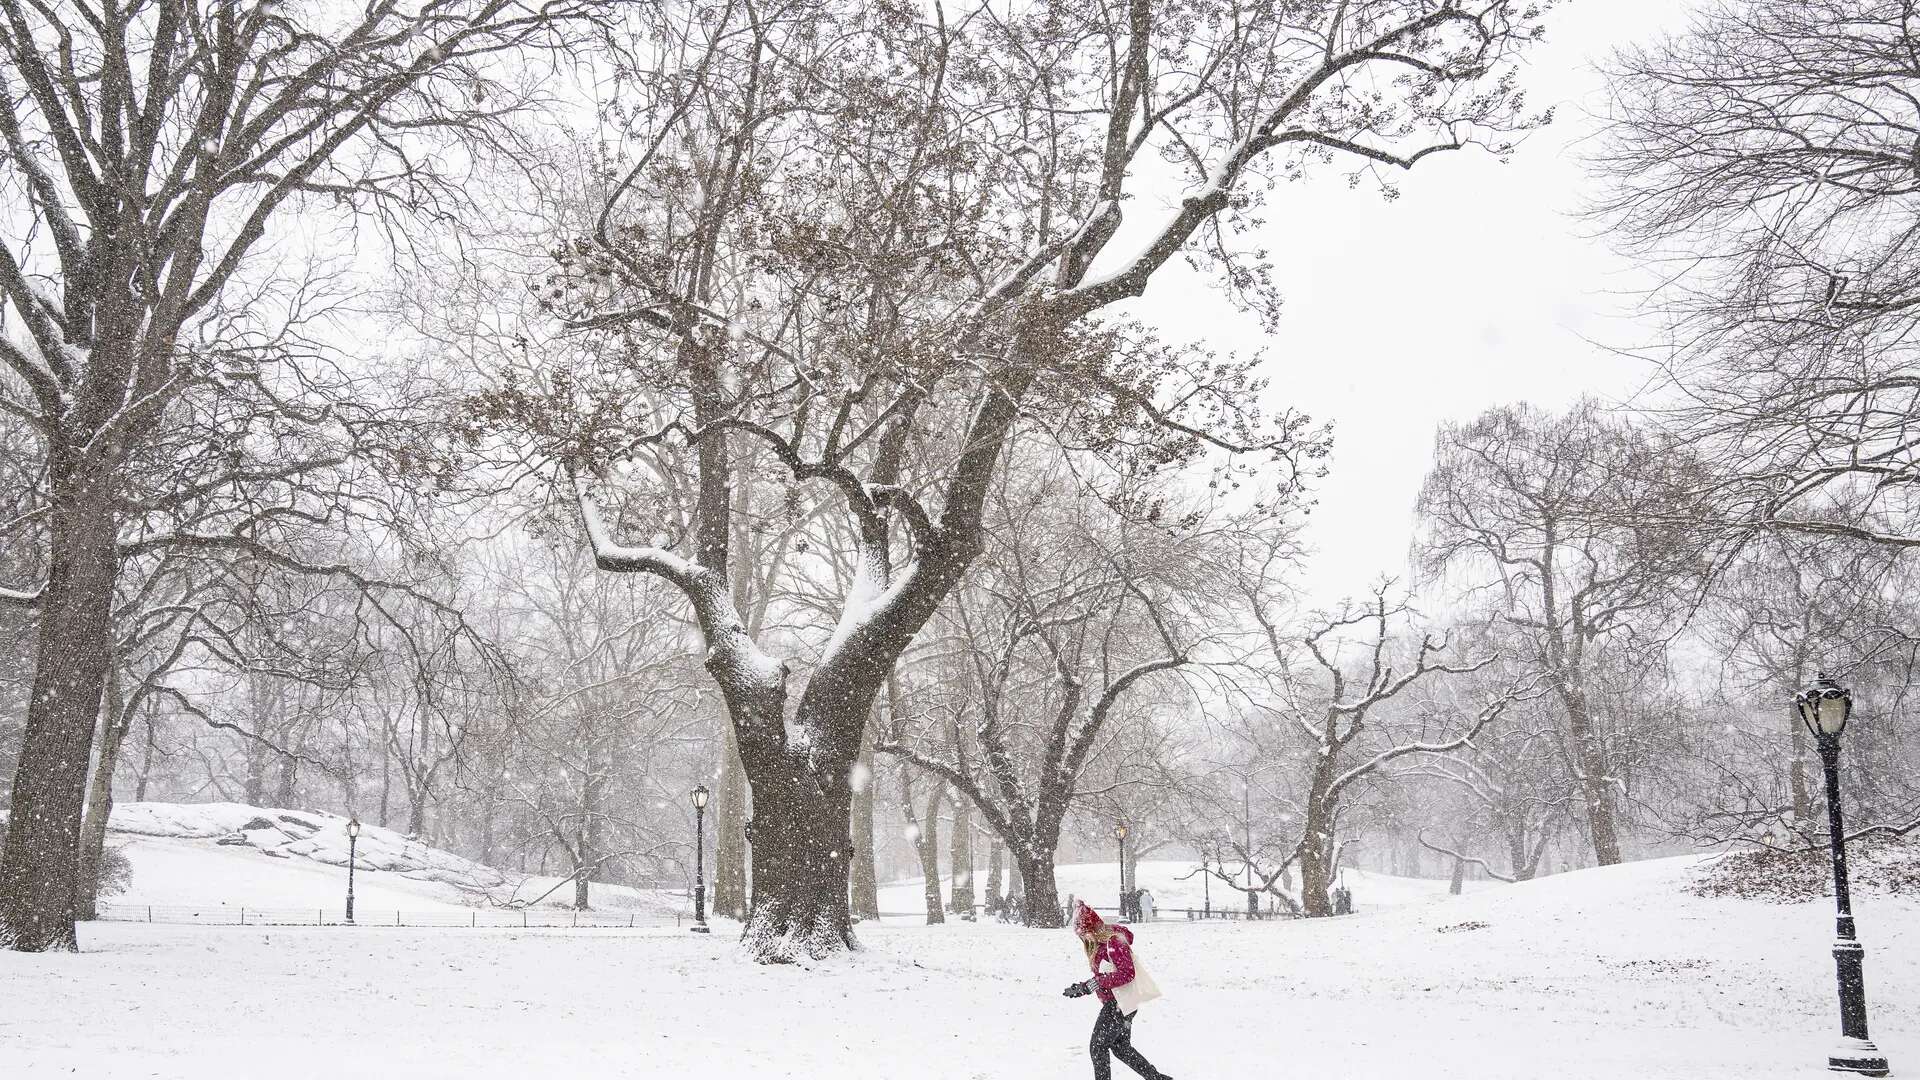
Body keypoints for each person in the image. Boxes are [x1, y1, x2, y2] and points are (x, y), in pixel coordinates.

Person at [1062, 900, 1172, 1080]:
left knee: (1097, 1047)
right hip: (1120, 1003)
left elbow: (1127, 974)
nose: (1083, 939)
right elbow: (1106, 975)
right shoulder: (1099, 944)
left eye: (1084, 934)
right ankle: (1157, 1078)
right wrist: (1083, 987)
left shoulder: (1114, 942)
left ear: (1093, 928)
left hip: (1120, 1004)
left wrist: (1093, 984)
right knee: (1121, 1048)